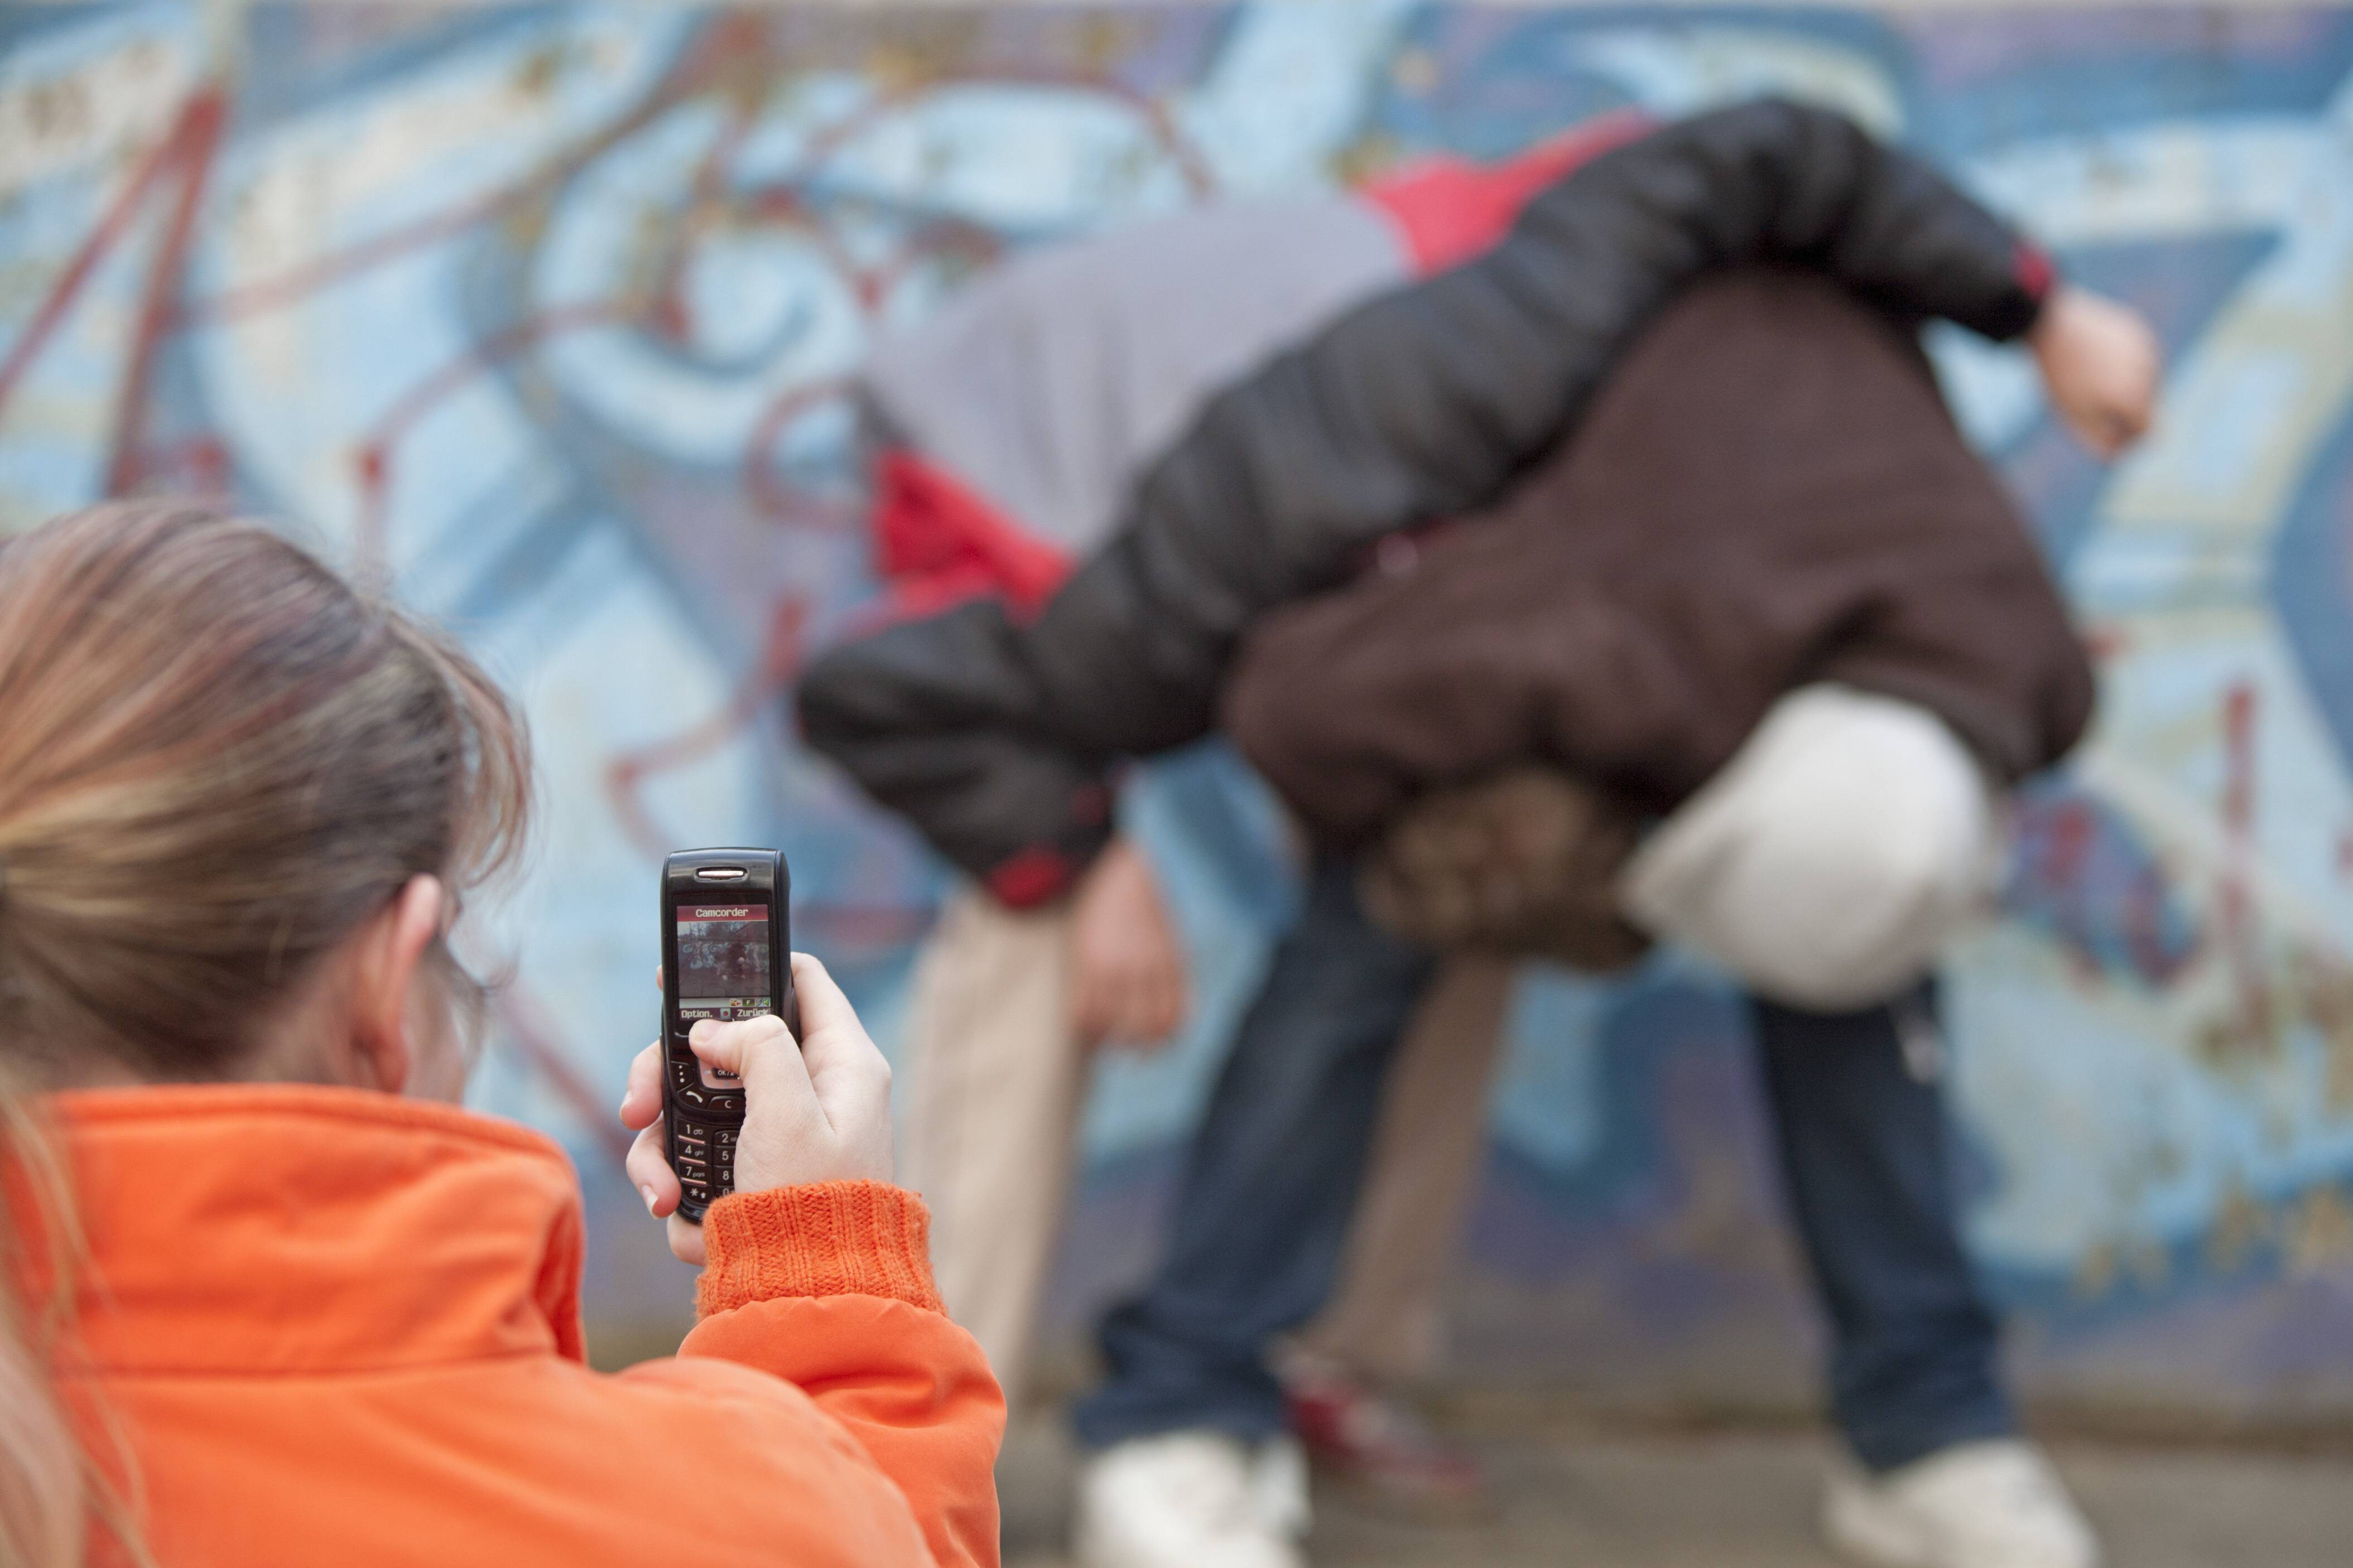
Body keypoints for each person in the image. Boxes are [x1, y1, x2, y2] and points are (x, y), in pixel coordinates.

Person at [801, 100, 2159, 1568]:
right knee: (1158, 920)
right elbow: (901, 696)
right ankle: (924, 1448)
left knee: (1743, 918)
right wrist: (1084, 842)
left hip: (1461, 566)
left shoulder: (1788, 565)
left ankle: (1925, 1428)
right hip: (1019, 476)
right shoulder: (1366, 444)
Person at [0, 502, 1002, 1568]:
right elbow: (873, 1539)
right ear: (383, 996)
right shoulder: (694, 1520)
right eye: (461, 958)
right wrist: (828, 1286)